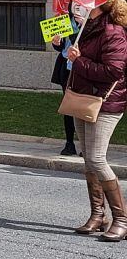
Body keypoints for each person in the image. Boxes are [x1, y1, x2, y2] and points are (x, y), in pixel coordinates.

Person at [64, 0, 127, 242]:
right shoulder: (87, 28)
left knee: (97, 159)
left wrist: (78, 62)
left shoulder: (113, 32)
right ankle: (97, 215)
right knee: (88, 159)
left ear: (100, 4)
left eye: (83, 0)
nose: (77, 5)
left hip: (105, 103)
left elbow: (113, 70)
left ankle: (121, 218)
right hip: (83, 100)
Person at [51, 17, 81, 156]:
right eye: (74, 6)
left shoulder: (92, 22)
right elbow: (61, 46)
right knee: (68, 106)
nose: (76, 10)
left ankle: (86, 146)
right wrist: (56, 42)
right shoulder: (65, 21)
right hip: (67, 67)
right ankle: (69, 143)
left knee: (84, 106)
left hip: (83, 69)